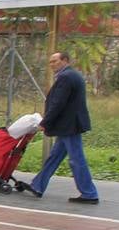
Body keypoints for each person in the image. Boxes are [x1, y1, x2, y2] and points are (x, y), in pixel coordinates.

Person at [19, 51, 99, 204]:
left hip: (69, 125)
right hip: (67, 125)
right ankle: (38, 186)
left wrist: (45, 122)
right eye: (50, 62)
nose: (52, 64)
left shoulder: (66, 77)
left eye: (55, 61)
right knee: (54, 157)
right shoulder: (71, 75)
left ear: (65, 60)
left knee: (76, 159)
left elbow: (58, 103)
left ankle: (89, 193)